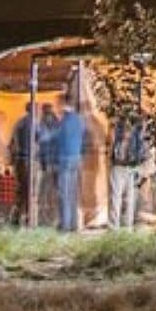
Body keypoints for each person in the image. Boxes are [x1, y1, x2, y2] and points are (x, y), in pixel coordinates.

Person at [49, 95, 90, 233]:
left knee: (64, 193)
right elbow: (84, 138)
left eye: (58, 103)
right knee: (73, 193)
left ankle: (65, 225)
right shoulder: (80, 120)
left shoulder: (64, 121)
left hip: (64, 159)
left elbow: (54, 137)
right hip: (76, 158)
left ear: (63, 104)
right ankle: (73, 223)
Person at [107, 107, 148, 231]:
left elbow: (111, 143)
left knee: (121, 197)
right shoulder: (133, 129)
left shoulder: (126, 128)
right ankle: (122, 226)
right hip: (125, 165)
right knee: (124, 197)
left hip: (125, 165)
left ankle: (120, 226)